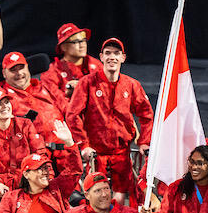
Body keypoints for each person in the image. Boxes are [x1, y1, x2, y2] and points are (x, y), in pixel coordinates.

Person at [66, 37, 153, 204]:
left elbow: (146, 113)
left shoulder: (131, 84)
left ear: (123, 58)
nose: (112, 57)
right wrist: (83, 145)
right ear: (101, 57)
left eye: (116, 53)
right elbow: (72, 114)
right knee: (98, 193)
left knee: (120, 195)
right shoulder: (87, 83)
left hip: (122, 151)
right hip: (96, 152)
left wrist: (144, 141)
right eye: (108, 53)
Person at [0, 50, 69, 143]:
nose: (18, 73)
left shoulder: (47, 86)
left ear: (27, 68)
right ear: (4, 73)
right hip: (31, 152)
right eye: (13, 70)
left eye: (21, 68)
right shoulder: (1, 96)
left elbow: (69, 111)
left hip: (63, 148)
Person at [42, 21, 101, 98]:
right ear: (63, 47)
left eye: (83, 40)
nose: (82, 45)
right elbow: (53, 101)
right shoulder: (53, 72)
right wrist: (68, 94)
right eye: (76, 41)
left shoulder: (97, 64)